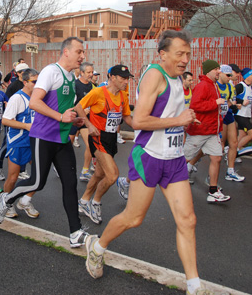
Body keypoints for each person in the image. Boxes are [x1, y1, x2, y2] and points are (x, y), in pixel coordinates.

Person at [84, 30, 205, 295]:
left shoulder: (177, 80)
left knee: (188, 220)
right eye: (179, 54)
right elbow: (138, 121)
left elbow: (171, 114)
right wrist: (179, 120)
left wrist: (186, 117)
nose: (185, 59)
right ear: (163, 54)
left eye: (188, 54)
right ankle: (97, 246)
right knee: (133, 218)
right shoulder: (154, 75)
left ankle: (195, 286)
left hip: (173, 160)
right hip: (148, 156)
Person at [0, 37, 89, 249]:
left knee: (70, 184)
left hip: (62, 138)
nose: (83, 56)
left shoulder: (70, 76)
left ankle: (75, 232)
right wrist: (60, 117)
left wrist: (75, 119)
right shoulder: (50, 72)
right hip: (43, 136)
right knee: (37, 182)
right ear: (66, 52)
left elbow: (64, 106)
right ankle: (6, 200)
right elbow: (35, 103)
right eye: (79, 51)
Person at [76, 65, 133, 225]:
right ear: (112, 77)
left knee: (100, 174)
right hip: (98, 137)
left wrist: (143, 127)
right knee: (113, 175)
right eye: (123, 78)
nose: (126, 81)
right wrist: (88, 124)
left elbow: (127, 117)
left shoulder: (123, 96)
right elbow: (79, 107)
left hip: (111, 138)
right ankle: (95, 203)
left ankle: (84, 201)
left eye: (127, 78)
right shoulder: (98, 92)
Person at [184, 60, 230, 203]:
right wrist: (215, 103)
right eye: (216, 69)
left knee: (217, 157)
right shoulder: (203, 85)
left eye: (219, 69)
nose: (219, 71)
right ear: (209, 71)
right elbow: (195, 105)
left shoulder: (213, 85)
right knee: (183, 158)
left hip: (212, 131)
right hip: (200, 130)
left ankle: (213, 191)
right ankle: (167, 180)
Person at [0, 68, 40, 218]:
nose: (37, 84)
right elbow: (5, 120)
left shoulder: (39, 97)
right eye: (34, 81)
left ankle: (25, 200)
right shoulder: (17, 98)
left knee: (39, 175)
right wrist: (25, 126)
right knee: (13, 177)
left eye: (39, 81)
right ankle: (6, 202)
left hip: (34, 141)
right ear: (25, 82)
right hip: (18, 141)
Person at [217, 65, 243, 182]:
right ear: (220, 74)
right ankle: (191, 164)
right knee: (220, 145)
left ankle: (230, 171)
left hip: (228, 115)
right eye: (228, 75)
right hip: (218, 117)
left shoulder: (230, 86)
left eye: (230, 75)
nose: (230, 77)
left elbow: (228, 100)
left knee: (234, 142)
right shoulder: (215, 85)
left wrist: (233, 106)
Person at [70, 62, 95, 181]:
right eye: (88, 72)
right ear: (82, 72)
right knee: (66, 145)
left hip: (85, 120)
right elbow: (68, 104)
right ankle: (59, 164)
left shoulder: (93, 87)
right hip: (73, 119)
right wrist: (79, 110)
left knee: (90, 144)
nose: (91, 74)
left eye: (92, 72)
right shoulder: (74, 85)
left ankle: (84, 172)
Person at [234, 68, 252, 151]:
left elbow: (251, 100)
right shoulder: (240, 86)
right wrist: (241, 101)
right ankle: (234, 151)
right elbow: (232, 97)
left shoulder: (250, 87)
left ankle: (232, 152)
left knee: (242, 135)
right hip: (240, 114)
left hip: (246, 115)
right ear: (246, 77)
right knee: (251, 135)